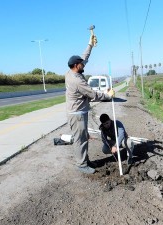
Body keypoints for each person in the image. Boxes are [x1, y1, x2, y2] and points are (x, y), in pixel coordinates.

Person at [65, 34, 115, 174]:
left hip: (79, 113)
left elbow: (84, 57)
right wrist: (107, 96)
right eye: (81, 64)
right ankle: (81, 165)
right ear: (76, 66)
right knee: (80, 140)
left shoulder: (71, 72)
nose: (84, 64)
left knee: (84, 138)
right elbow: (93, 95)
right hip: (77, 115)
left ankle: (85, 161)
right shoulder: (77, 81)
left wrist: (90, 45)